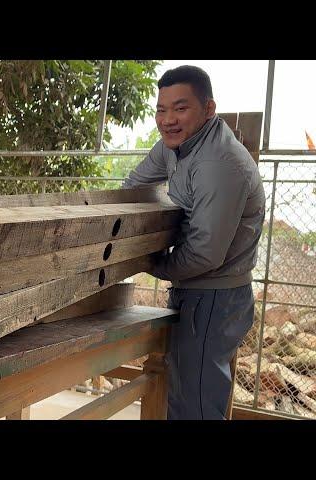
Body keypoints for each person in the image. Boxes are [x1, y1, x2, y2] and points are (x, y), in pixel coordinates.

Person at [123, 65, 266, 420]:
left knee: (197, 408)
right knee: (184, 394)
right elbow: (133, 186)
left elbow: (204, 253)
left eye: (181, 108)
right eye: (161, 109)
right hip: (194, 290)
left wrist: (151, 263)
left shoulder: (219, 163)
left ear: (209, 109)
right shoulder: (176, 144)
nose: (168, 119)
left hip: (215, 297)